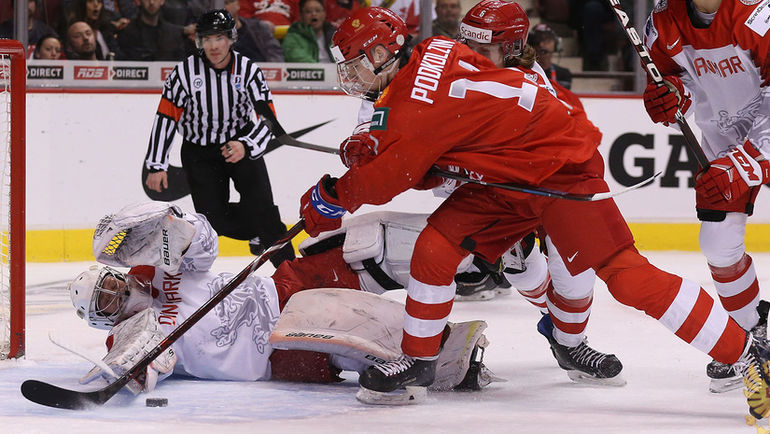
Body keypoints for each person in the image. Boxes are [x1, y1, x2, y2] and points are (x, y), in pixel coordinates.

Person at [302, 4, 770, 418]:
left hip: (558, 174)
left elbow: (391, 176)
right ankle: (420, 360)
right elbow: (419, 152)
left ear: (382, 55)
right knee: (436, 247)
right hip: (506, 179)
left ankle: (750, 355)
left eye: (355, 65)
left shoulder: (414, 101)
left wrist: (329, 197)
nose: (351, 76)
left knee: (624, 276)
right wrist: (375, 150)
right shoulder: (429, 58)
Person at [67, 202, 494, 395]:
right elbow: (142, 373)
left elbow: (205, 248)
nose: (115, 294)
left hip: (277, 287)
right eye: (105, 302)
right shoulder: (126, 337)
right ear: (102, 320)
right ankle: (443, 358)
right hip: (271, 354)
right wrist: (134, 366)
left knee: (366, 245)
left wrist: (182, 227)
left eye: (109, 283)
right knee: (346, 334)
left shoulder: (157, 269)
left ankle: (480, 248)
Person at [455, 0, 623, 385]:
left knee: (576, 272)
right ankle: (560, 329)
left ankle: (570, 341)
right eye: (468, 44)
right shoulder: (453, 73)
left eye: (483, 49)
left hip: (546, 190)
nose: (470, 56)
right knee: (521, 266)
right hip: (497, 195)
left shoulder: (531, 79)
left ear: (512, 48)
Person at [642, 0, 770, 394]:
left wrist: (749, 159)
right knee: (717, 242)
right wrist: (672, 97)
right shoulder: (663, 21)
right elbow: (673, 78)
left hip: (762, 135)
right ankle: (753, 340)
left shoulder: (757, 15)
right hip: (723, 143)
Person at [143, 9, 294, 268]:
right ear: (199, 41)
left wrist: (246, 145)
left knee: (264, 210)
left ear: (231, 39)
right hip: (199, 154)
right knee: (214, 220)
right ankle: (259, 229)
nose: (213, 46)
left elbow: (268, 119)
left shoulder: (248, 71)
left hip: (240, 144)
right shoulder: (184, 74)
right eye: (207, 39)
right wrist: (156, 164)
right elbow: (166, 118)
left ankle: (294, 273)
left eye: (219, 38)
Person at [117, 0, 188, 61]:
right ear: (138, 1)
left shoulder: (173, 34)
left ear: (162, 1)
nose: (151, 2)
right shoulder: (127, 33)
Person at [528, 23, 572, 90]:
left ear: (556, 44)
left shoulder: (564, 74)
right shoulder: (524, 72)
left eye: (547, 40)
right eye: (537, 41)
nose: (541, 45)